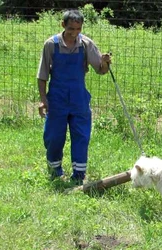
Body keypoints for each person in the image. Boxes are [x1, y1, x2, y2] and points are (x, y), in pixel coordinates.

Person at [36, 9, 112, 184]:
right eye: (71, 29)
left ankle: (79, 175)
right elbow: (42, 75)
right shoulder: (51, 45)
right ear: (63, 25)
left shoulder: (86, 44)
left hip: (79, 98)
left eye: (78, 30)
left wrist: (105, 63)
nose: (74, 34)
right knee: (54, 136)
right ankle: (55, 171)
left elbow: (101, 70)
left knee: (81, 136)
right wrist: (43, 99)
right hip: (57, 97)